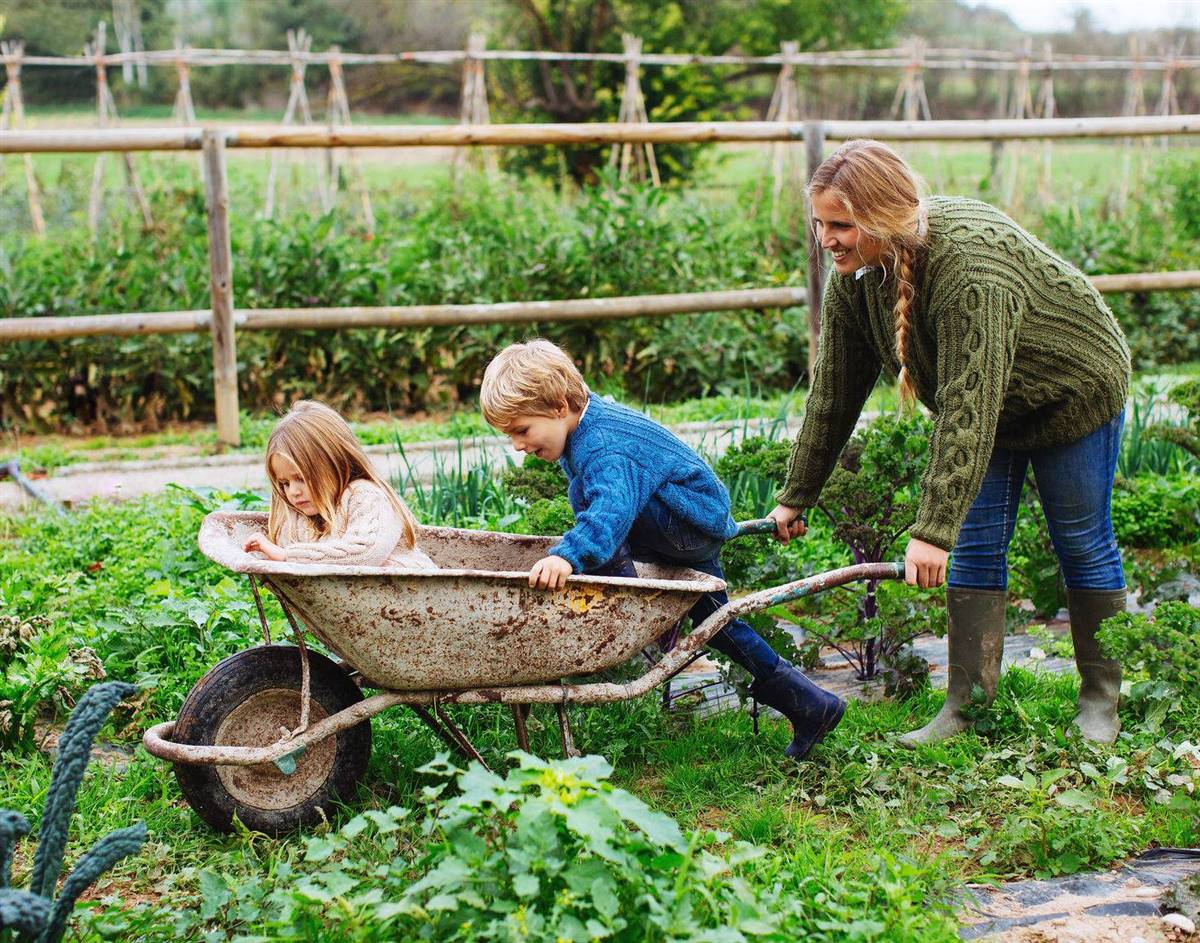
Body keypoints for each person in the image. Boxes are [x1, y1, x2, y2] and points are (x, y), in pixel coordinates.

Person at [767, 139, 1131, 746]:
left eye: (841, 225)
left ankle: (1100, 702)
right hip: (990, 406)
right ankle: (967, 708)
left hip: (1071, 392)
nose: (825, 239)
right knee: (979, 545)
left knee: (1081, 542)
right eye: (819, 223)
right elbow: (832, 397)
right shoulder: (855, 281)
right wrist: (796, 495)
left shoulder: (969, 268)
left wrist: (932, 530)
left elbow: (968, 403)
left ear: (883, 217)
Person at [480, 339, 844, 760]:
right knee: (720, 626)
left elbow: (611, 512)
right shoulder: (585, 425)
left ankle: (628, 610)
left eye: (522, 430)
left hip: (686, 525)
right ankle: (813, 706)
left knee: (600, 509)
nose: (518, 445)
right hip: (682, 525)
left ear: (561, 407)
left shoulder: (603, 445)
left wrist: (568, 555)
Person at [242, 400, 436, 570]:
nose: (293, 491)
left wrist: (287, 556)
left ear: (335, 462)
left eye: (301, 478)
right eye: (284, 483)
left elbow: (365, 554)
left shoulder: (366, 497)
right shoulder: (301, 513)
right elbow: (286, 546)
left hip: (412, 595)